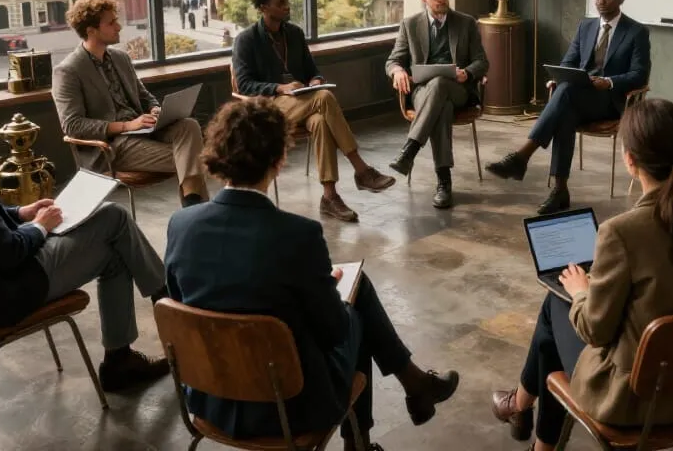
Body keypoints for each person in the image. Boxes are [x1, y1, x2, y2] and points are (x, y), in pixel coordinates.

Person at [164, 98, 460, 450]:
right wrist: (328, 292)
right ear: (279, 160)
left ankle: (412, 390)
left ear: (219, 155)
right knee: (355, 307)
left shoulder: (181, 224)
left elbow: (182, 307)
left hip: (210, 398)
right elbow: (335, 332)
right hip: (290, 407)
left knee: (352, 298)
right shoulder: (297, 235)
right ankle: (381, 422)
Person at [0, 57, 169, 392]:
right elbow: (9, 253)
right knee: (115, 218)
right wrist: (40, 226)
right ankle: (166, 300)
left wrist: (22, 212)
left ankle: (123, 357)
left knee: (115, 246)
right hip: (2, 296)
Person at [490, 98, 673, 450]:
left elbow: (595, 331)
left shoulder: (622, 232)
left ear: (630, 160)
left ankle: (523, 413)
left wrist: (581, 290)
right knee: (559, 314)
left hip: (636, 401)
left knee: (556, 305)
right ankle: (521, 410)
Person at [486, 0, 651, 215]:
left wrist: (608, 82)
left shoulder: (636, 32)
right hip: (579, 95)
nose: (601, 1)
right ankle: (559, 190)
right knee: (565, 110)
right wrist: (559, 76)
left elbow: (639, 74)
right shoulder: (586, 27)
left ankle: (522, 157)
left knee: (565, 97)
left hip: (610, 100)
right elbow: (569, 62)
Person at [232, 0, 394, 223]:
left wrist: (316, 80)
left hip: (304, 101)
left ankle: (329, 196)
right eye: (281, 3)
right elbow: (244, 84)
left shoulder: (294, 34)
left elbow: (312, 71)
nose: (287, 6)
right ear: (264, 7)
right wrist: (280, 87)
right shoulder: (247, 40)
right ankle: (361, 169)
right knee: (324, 98)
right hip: (270, 108)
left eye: (287, 1)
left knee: (320, 120)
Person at [52, 0, 208, 208]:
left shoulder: (120, 58)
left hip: (142, 130)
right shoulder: (68, 71)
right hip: (112, 146)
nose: (119, 27)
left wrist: (155, 109)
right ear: (91, 31)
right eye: (111, 23)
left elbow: (144, 96)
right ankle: (196, 209)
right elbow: (73, 125)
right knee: (197, 156)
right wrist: (126, 126)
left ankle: (193, 210)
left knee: (188, 125)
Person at [385, 0, 489, 208]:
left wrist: (467, 73)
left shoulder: (466, 23)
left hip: (458, 90)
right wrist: (397, 71)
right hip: (423, 92)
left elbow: (482, 62)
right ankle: (444, 181)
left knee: (441, 84)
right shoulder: (410, 25)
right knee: (442, 106)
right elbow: (392, 61)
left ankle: (410, 150)